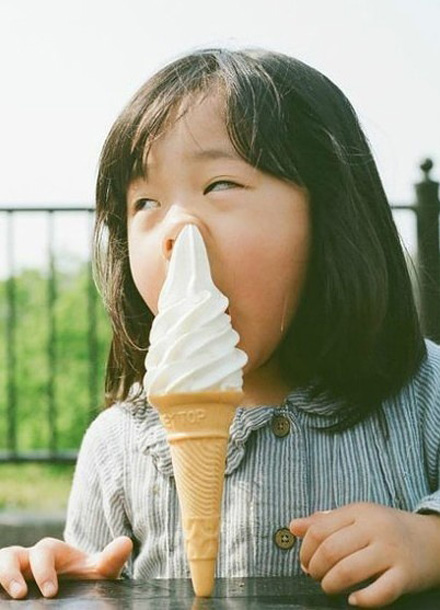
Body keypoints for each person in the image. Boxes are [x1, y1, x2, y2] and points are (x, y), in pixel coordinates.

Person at [1, 48, 439, 608]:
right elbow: (94, 573)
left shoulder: (424, 392)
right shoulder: (117, 445)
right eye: (145, 201)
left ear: (329, 211)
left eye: (220, 185)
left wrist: (429, 541)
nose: (177, 227)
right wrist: (67, 579)